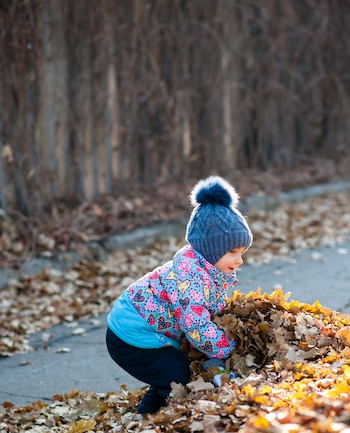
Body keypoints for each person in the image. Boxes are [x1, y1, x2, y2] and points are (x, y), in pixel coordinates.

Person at [106, 175, 253, 414]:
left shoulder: (207, 269)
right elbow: (195, 322)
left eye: (242, 251)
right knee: (179, 380)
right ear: (211, 249)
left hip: (145, 333)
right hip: (132, 338)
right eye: (233, 252)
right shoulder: (190, 277)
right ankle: (156, 422)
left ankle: (145, 417)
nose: (239, 259)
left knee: (169, 376)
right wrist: (227, 349)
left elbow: (209, 307)